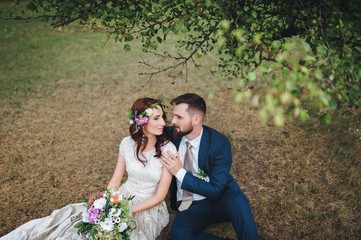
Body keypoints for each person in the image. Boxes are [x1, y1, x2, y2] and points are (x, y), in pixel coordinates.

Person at [1, 97, 177, 240]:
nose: (163, 122)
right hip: (123, 195)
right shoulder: (127, 144)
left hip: (148, 206)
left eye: (163, 117)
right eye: (156, 118)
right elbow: (116, 179)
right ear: (142, 122)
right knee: (85, 230)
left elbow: (160, 196)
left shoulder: (168, 149)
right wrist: (108, 203)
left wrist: (127, 211)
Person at [161, 93, 259, 240]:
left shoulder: (219, 143)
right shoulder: (169, 135)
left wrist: (179, 172)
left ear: (196, 119)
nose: (173, 121)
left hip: (221, 199)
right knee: (179, 235)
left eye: (179, 117)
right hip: (190, 205)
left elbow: (216, 190)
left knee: (238, 201)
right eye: (173, 115)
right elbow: (146, 129)